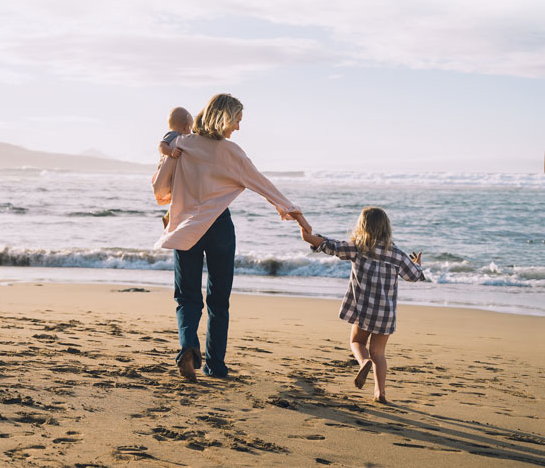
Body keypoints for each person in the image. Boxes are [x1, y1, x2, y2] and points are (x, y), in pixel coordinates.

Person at [152, 93, 311, 381]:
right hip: (219, 229)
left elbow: (160, 186)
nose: (237, 127)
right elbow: (264, 186)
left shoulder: (181, 144)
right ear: (225, 118)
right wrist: (295, 214)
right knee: (219, 300)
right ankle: (215, 366)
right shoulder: (232, 152)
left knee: (187, 298)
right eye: (236, 120)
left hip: (187, 229)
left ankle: (188, 347)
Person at [299, 207, 426, 403]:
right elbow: (414, 276)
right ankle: (380, 392)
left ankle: (363, 361)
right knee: (379, 353)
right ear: (386, 228)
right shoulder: (397, 255)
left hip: (364, 310)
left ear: (362, 226)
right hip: (385, 314)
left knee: (357, 342)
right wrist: (417, 263)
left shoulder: (358, 248)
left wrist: (308, 236)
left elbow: (331, 245)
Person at [157, 107, 193, 227]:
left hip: (173, 171)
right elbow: (161, 146)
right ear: (185, 127)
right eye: (190, 128)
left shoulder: (179, 137)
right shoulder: (173, 134)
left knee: (177, 198)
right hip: (167, 171)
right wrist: (171, 151)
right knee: (178, 197)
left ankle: (169, 217)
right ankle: (169, 218)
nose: (190, 131)